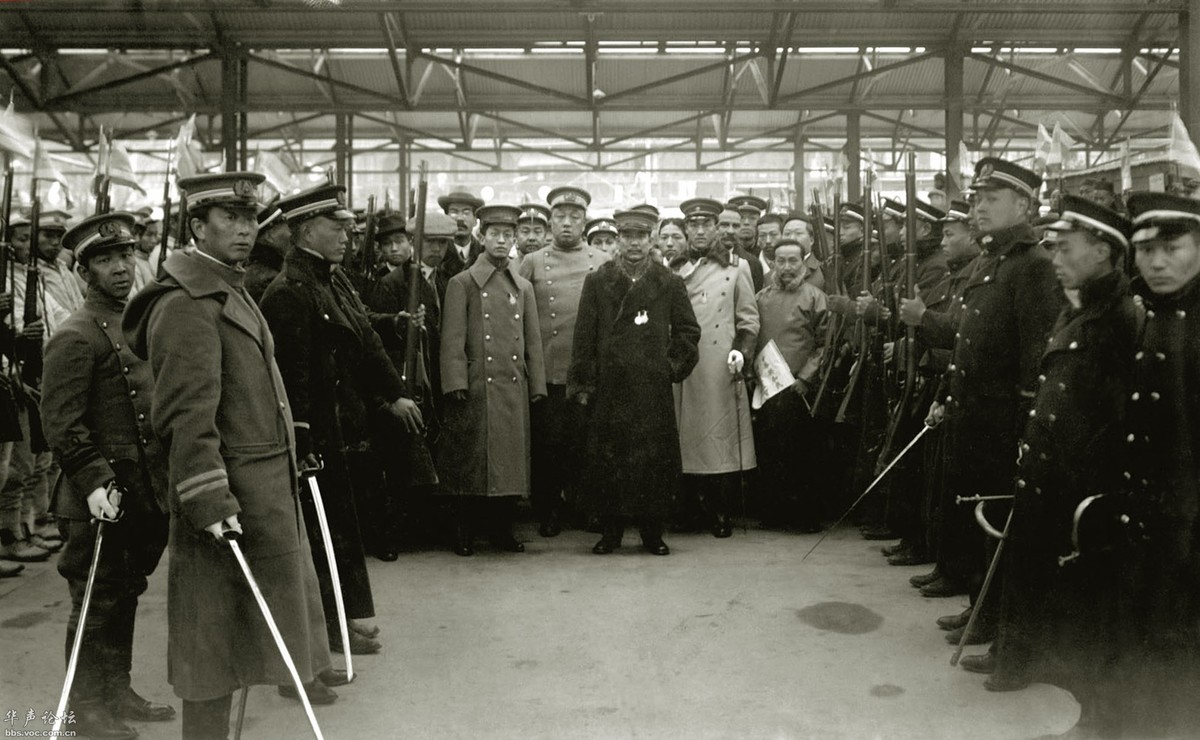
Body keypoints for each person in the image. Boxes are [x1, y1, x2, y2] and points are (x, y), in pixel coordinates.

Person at [123, 172, 340, 739]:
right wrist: (209, 499)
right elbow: (185, 419)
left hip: (260, 491)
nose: (244, 231)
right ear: (197, 227)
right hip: (225, 505)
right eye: (229, 219)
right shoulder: (187, 304)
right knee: (212, 647)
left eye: (249, 219)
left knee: (240, 639)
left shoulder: (228, 286)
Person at [959, 196, 1138, 704]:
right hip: (1044, 458)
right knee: (1025, 555)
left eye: (1065, 248)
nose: (1054, 258)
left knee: (1057, 571)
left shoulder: (1121, 317)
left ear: (1103, 252)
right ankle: (1014, 655)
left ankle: (1034, 663)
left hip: (1080, 470)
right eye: (1053, 248)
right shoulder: (1077, 305)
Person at [261, 183, 422, 654]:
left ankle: (340, 622)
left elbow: (365, 338)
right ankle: (327, 630)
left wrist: (393, 392)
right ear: (307, 230)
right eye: (338, 228)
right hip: (318, 438)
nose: (348, 237)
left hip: (344, 429)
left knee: (340, 532)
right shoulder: (289, 291)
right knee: (319, 538)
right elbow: (293, 381)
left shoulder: (329, 279)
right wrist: (303, 440)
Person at [41, 212, 175, 740]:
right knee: (95, 599)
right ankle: (84, 707)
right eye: (105, 260)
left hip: (141, 490)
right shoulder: (75, 335)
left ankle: (116, 689)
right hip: (96, 496)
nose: (121, 268)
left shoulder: (136, 323)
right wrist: (96, 483)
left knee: (126, 592)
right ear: (84, 271)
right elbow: (63, 425)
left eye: (125, 256)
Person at [931, 157, 1065, 647]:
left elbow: (1036, 354)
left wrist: (1026, 426)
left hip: (1004, 418)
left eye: (990, 199)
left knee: (999, 523)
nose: (977, 207)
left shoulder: (1032, 266)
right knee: (978, 516)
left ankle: (995, 618)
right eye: (976, 199)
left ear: (1024, 204)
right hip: (975, 413)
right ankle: (978, 606)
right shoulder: (992, 260)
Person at [1113, 191, 1200, 736]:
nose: (1156, 262)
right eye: (1144, 249)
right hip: (1150, 511)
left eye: (1172, 248)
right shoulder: (1148, 312)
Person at [569, 208, 700, 556]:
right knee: (609, 461)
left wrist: (668, 368)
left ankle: (652, 533)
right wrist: (583, 383)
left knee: (652, 462)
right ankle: (610, 532)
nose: (633, 244)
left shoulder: (669, 282)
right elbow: (583, 337)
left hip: (650, 389)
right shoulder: (598, 281)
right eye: (626, 237)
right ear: (618, 240)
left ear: (651, 238)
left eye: (640, 237)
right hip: (610, 388)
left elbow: (688, 332)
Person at [438, 204, 547, 556]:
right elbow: (452, 340)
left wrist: (538, 386)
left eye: (508, 235)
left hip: (513, 385)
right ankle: (464, 531)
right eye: (495, 234)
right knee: (472, 463)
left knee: (510, 466)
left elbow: (533, 341)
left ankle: (502, 530)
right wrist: (455, 383)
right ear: (480, 237)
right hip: (476, 386)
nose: (502, 241)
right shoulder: (463, 283)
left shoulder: (524, 287)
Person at [898, 199, 983, 602]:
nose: (945, 240)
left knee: (955, 489)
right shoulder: (955, 276)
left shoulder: (972, 276)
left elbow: (960, 336)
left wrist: (922, 319)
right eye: (944, 233)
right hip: (946, 383)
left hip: (961, 386)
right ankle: (947, 567)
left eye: (952, 233)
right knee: (942, 485)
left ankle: (955, 570)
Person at [517, 186, 604, 537]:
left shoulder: (600, 260)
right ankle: (548, 510)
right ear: (550, 221)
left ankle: (585, 508)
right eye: (560, 217)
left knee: (585, 443)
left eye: (575, 217)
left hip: (586, 369)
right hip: (548, 368)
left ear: (584, 222)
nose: (567, 223)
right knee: (549, 445)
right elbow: (517, 314)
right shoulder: (533, 262)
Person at [673, 198, 759, 538]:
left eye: (706, 225)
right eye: (692, 225)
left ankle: (721, 511)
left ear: (716, 228)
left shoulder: (737, 269)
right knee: (685, 437)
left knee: (720, 438)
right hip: (684, 364)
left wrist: (742, 351)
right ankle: (689, 509)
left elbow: (749, 317)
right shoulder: (673, 269)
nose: (699, 231)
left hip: (720, 363)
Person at [364, 211, 442, 557]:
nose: (396, 249)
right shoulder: (386, 283)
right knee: (396, 458)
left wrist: (422, 328)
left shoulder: (418, 279)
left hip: (419, 369)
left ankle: (416, 526)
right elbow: (378, 332)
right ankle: (394, 531)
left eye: (401, 242)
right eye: (388, 244)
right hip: (395, 373)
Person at [753, 238, 828, 532]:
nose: (786, 267)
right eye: (780, 261)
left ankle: (803, 517)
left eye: (793, 261)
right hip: (767, 388)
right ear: (773, 264)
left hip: (800, 388)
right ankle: (773, 513)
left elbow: (825, 345)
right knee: (771, 452)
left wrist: (806, 378)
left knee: (802, 455)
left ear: (803, 263)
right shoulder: (761, 298)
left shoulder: (816, 297)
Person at [435, 190, 484, 298]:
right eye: (454, 212)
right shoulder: (437, 256)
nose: (460, 218)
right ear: (446, 218)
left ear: (475, 220)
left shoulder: (484, 254)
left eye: (466, 213)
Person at [244, 203, 290, 303]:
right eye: (289, 228)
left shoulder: (263, 270)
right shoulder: (267, 280)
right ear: (270, 236)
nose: (292, 234)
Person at [717, 207, 764, 292]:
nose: (731, 231)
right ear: (714, 227)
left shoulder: (752, 264)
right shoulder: (700, 258)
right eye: (724, 225)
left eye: (735, 226)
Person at [514, 204, 550, 269]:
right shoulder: (508, 269)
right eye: (525, 231)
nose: (531, 238)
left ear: (545, 235)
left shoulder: (556, 268)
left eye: (537, 232)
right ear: (516, 235)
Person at [130, 214, 160, 291]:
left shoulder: (147, 260)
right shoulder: (134, 264)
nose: (154, 240)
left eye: (155, 235)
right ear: (137, 237)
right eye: (149, 235)